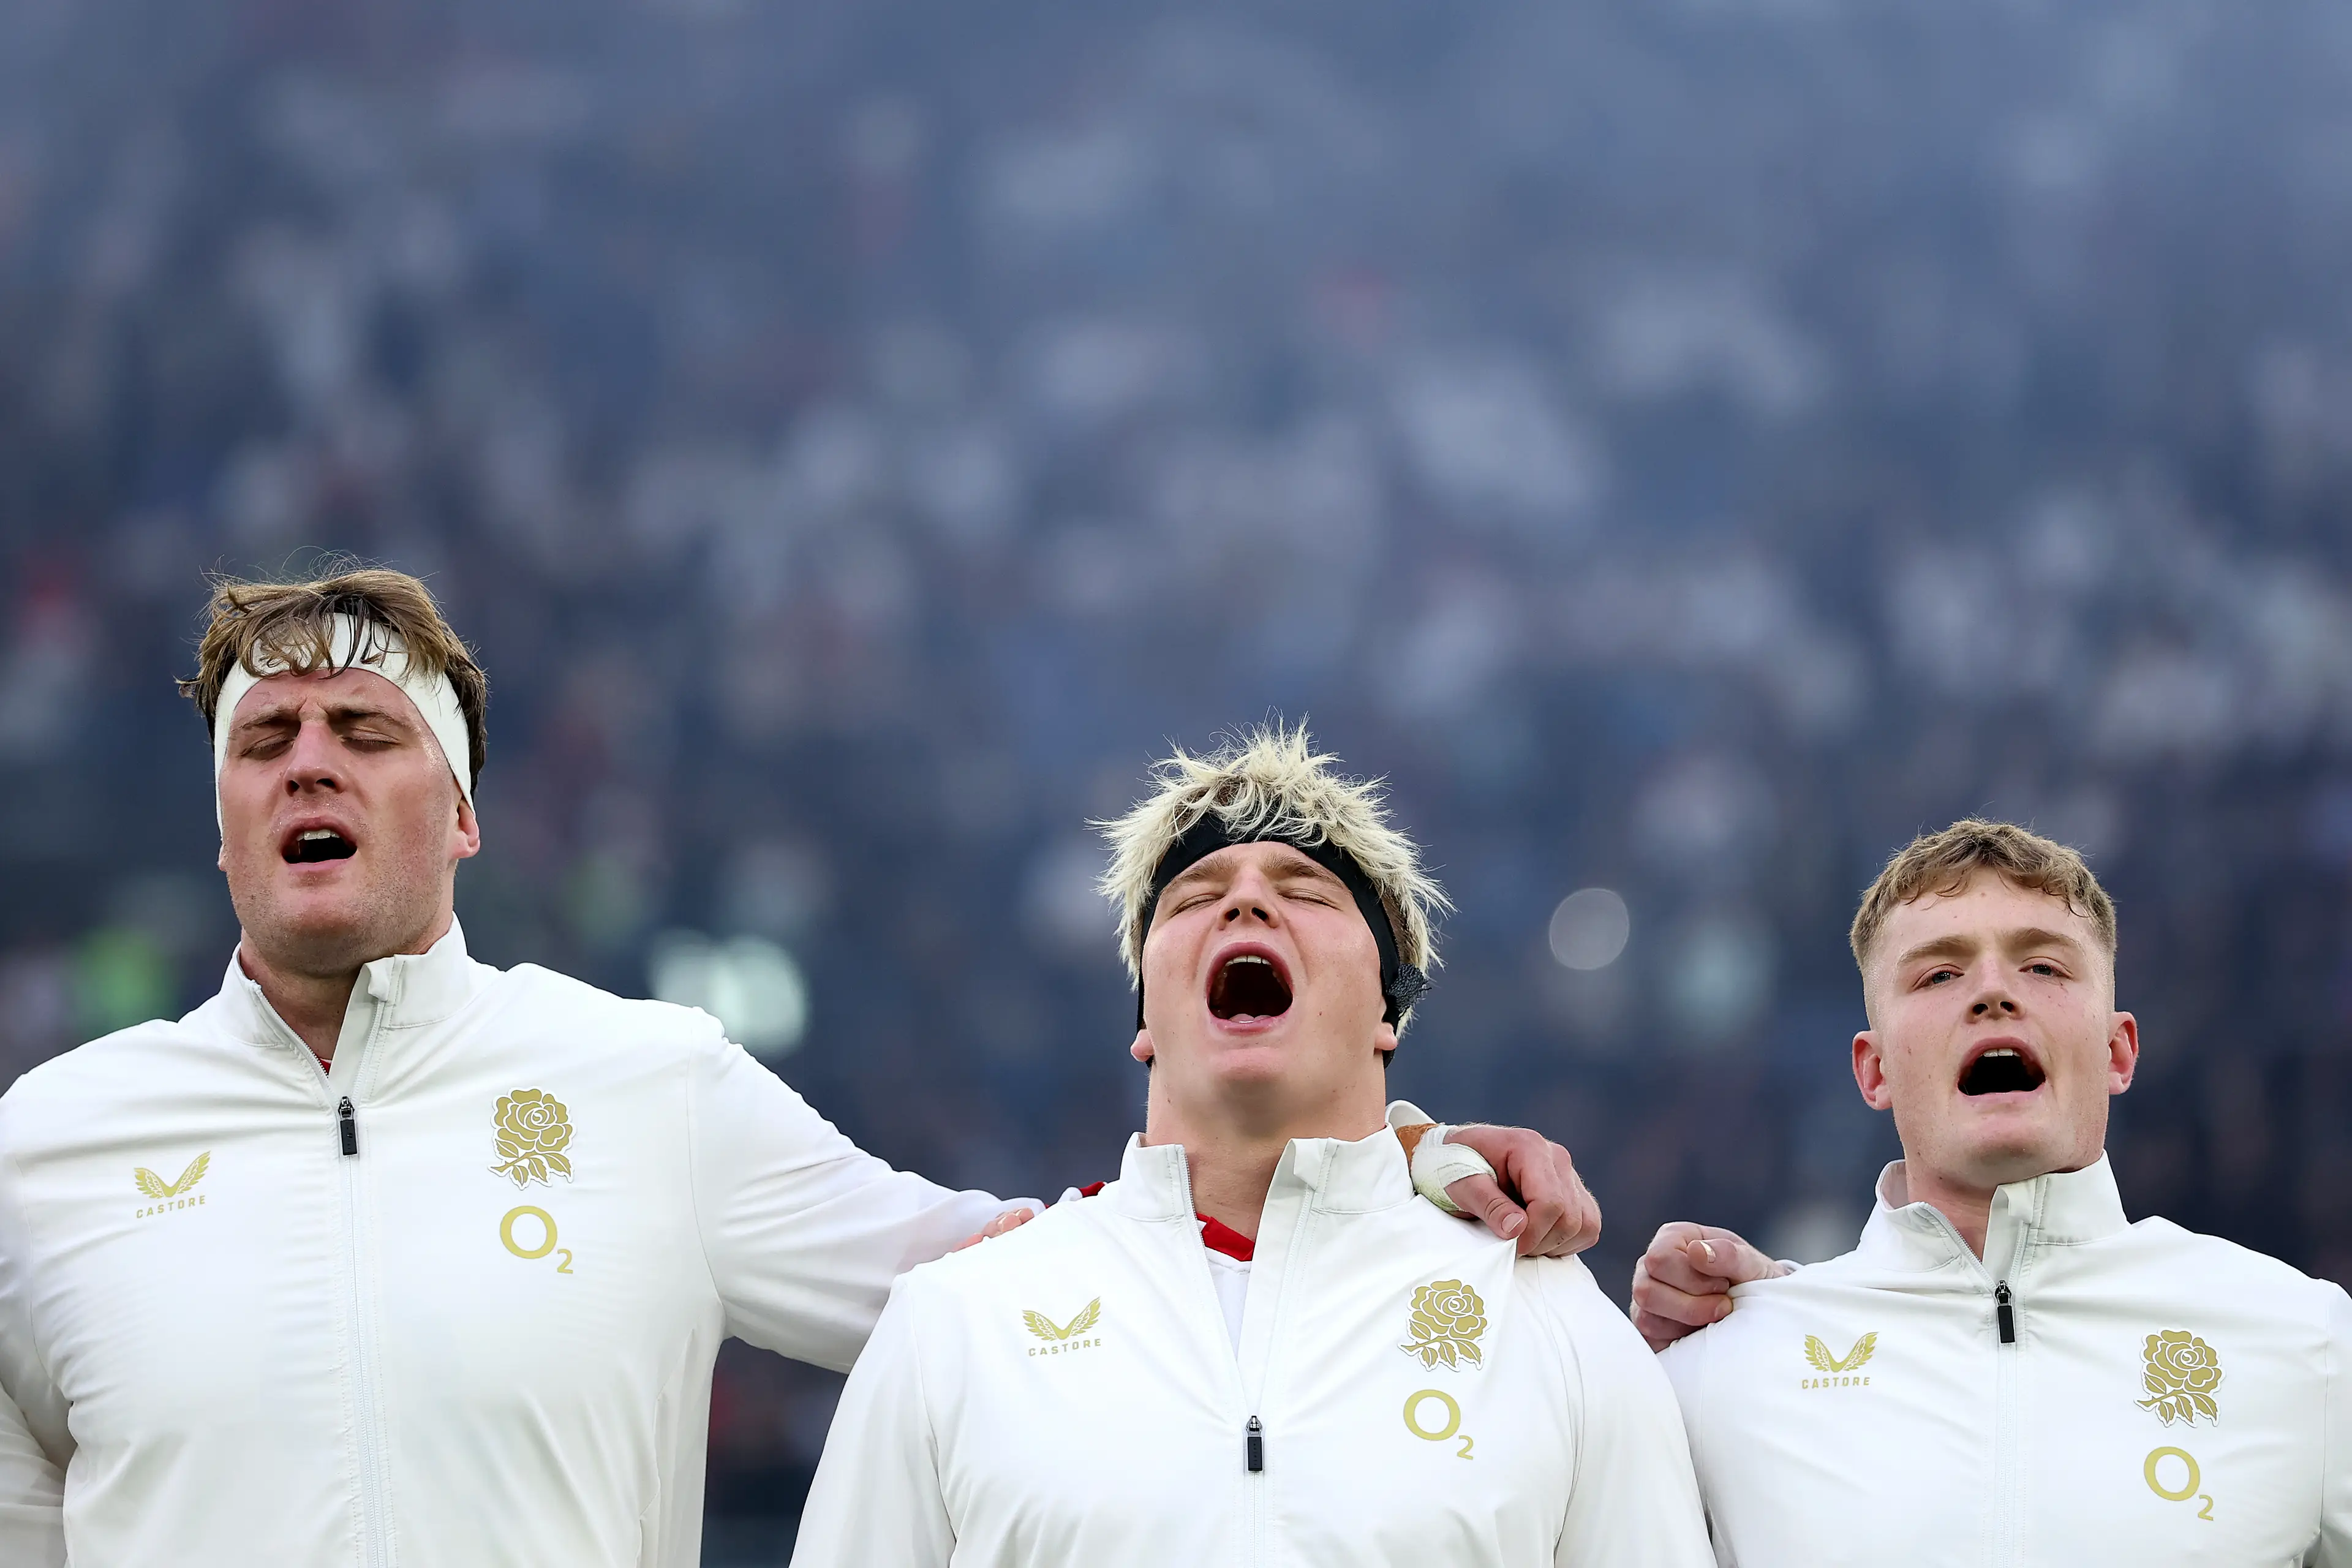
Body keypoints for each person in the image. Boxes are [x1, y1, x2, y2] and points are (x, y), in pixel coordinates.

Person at [0, 567, 1595, 1567]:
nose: (311, 765)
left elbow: (1049, 1269)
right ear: (221, 823)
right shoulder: (47, 1153)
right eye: (265, 745)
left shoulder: (648, 1089)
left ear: (466, 814)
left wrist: (1380, 1154)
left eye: (365, 730)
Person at [794, 726, 1713, 1567]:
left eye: (1305, 892)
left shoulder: (1549, 1320)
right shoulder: (961, 1320)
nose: (1244, 905)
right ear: (1146, 1019)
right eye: (1195, 897)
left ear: (1388, 1012)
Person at [1629, 820, 2352, 1564]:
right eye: (1939, 975)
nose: (1994, 993)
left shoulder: (2308, 1342)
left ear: (2117, 1050)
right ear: (1873, 1071)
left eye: (2042, 966)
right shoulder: (1721, 1372)